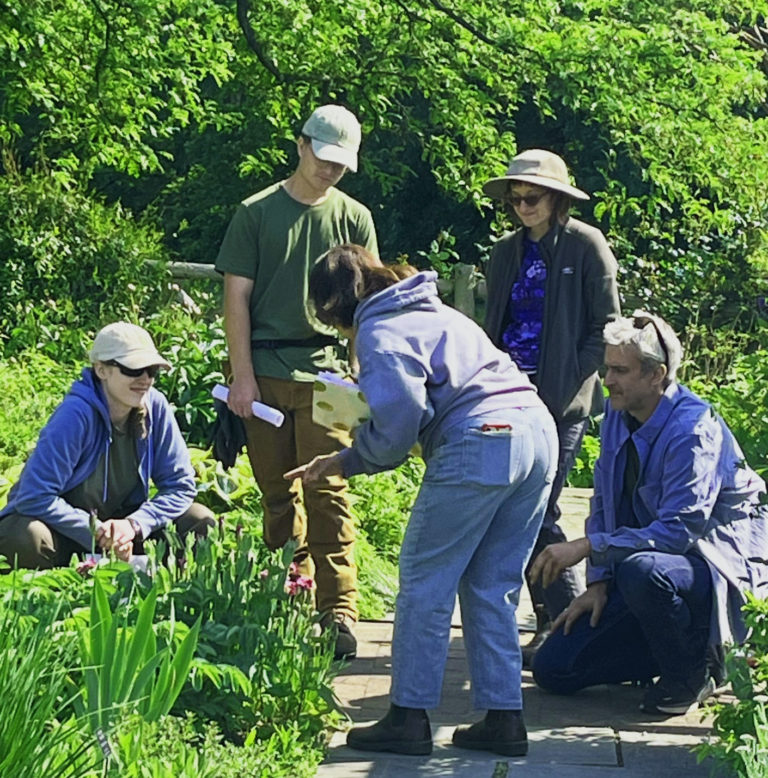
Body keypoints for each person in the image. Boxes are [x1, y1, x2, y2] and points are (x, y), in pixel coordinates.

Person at [286, 244, 558, 757]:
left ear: (332, 307)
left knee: (424, 580)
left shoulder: (379, 332)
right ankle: (504, 719)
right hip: (536, 430)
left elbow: (398, 425)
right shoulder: (432, 310)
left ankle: (408, 718)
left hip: (482, 436)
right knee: (491, 584)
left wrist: (347, 460)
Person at [529, 312, 768, 715]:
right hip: (648, 568)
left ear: (657, 375)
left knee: (644, 572)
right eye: (607, 367)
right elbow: (603, 503)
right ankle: (668, 643)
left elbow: (679, 532)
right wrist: (600, 582)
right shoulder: (617, 418)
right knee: (554, 669)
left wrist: (588, 547)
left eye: (620, 370)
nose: (607, 379)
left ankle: (693, 672)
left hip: (714, 567)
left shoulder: (694, 430)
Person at [215, 105, 378, 660]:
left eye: (342, 163)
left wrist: (366, 375)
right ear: (301, 145)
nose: (331, 170)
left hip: (330, 375)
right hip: (262, 372)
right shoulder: (255, 213)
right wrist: (241, 378)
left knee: (328, 490)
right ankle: (290, 597)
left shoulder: (355, 217)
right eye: (325, 157)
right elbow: (235, 297)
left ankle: (339, 612)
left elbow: (367, 306)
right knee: (276, 494)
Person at [482, 148, 621, 664]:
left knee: (540, 506)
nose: (522, 205)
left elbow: (607, 327)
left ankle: (562, 619)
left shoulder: (587, 246)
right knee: (512, 505)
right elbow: (493, 325)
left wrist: (565, 380)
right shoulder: (505, 252)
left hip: (562, 402)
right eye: (515, 198)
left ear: (557, 199)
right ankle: (553, 618)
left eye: (532, 196)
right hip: (508, 396)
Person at [0, 322, 214, 568]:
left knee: (200, 519)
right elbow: (33, 495)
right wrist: (97, 531)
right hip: (65, 531)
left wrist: (134, 525)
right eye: (133, 369)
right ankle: (75, 574)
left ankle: (146, 572)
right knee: (25, 538)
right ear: (101, 370)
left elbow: (181, 487)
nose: (145, 379)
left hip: (126, 528)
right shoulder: (74, 415)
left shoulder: (156, 406)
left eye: (152, 370)